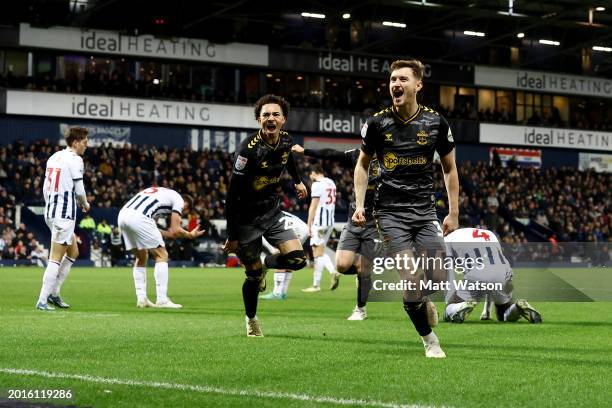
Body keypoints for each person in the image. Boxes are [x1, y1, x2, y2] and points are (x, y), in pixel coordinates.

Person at [353, 59, 459, 358]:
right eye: (392, 80)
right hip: (389, 214)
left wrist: (453, 213)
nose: (395, 84)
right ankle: (429, 340)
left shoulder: (436, 122)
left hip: (425, 213)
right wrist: (360, 204)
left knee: (438, 279)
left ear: (418, 85)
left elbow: (450, 170)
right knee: (411, 282)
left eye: (402, 79)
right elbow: (362, 165)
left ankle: (425, 301)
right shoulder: (376, 123)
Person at [222, 94, 308, 337]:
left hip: (271, 211)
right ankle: (251, 319)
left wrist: (298, 181)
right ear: (258, 119)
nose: (271, 118)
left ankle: (267, 266)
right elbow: (231, 194)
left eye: (275, 114)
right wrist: (232, 235)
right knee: (252, 275)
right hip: (245, 219)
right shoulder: (247, 150)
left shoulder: (286, 140)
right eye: (266, 115)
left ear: (284, 119)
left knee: (298, 260)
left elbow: (288, 157)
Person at [292, 144, 379, 320]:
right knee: (341, 264)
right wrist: (306, 151)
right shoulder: (358, 155)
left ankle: (360, 309)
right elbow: (331, 154)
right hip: (354, 218)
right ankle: (362, 272)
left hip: (377, 221)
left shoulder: (392, 158)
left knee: (363, 268)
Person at [117, 187, 204, 308]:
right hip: (139, 217)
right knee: (162, 255)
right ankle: (162, 299)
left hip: (122, 216)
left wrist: (171, 234)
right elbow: (175, 230)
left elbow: (152, 228)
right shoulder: (178, 200)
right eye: (184, 211)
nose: (182, 213)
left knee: (141, 256)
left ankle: (142, 299)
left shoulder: (160, 194)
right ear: (186, 205)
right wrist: (190, 235)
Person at [36, 126, 90, 311]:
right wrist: (85, 204)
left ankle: (55, 293)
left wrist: (52, 204)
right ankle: (43, 299)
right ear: (75, 142)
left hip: (51, 211)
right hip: (64, 215)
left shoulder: (54, 157)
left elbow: (45, 187)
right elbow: (80, 191)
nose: (86, 145)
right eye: (84, 142)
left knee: (73, 251)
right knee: (55, 258)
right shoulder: (76, 160)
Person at [443, 227, 542, 324]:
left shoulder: (446, 240)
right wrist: (486, 311)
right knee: (503, 312)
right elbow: (492, 270)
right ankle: (517, 308)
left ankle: (460, 306)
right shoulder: (489, 233)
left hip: (477, 273)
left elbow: (448, 272)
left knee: (450, 308)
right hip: (504, 271)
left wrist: (449, 300)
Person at [302, 164, 340, 293]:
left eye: (310, 175)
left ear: (313, 172)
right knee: (319, 253)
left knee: (318, 252)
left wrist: (308, 223)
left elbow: (313, 206)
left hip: (319, 222)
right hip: (330, 222)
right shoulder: (331, 182)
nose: (310, 177)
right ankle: (316, 285)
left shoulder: (317, 184)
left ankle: (332, 271)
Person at [259, 211, 310, 300]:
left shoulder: (261, 222)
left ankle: (277, 293)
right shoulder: (272, 211)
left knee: (281, 255)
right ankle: (283, 292)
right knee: (290, 259)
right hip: (303, 228)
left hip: (294, 229)